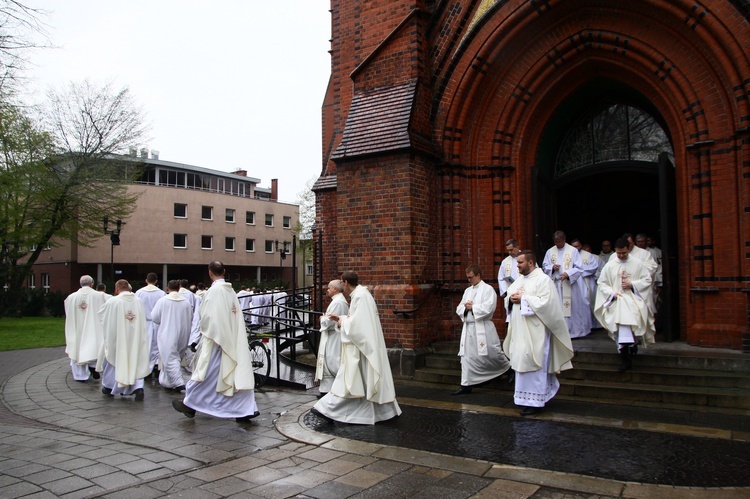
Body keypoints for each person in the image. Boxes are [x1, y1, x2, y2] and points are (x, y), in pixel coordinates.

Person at [172, 261, 258, 422]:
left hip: (216, 341)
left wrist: (203, 336)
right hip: (233, 339)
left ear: (210, 273)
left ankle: (190, 404)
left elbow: (207, 317)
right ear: (224, 271)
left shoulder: (213, 292)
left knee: (205, 374)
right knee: (235, 374)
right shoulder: (230, 291)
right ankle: (247, 409)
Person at [312, 271, 401, 424]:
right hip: (362, 347)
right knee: (364, 382)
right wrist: (341, 318)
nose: (342, 287)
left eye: (342, 283)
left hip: (359, 348)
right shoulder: (361, 295)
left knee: (349, 381)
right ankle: (383, 413)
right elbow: (358, 320)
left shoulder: (360, 296)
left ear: (346, 282)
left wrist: (341, 322)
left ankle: (327, 408)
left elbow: (358, 327)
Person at [504, 251, 574, 416]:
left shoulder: (543, 280)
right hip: (521, 331)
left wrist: (524, 299)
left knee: (535, 364)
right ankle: (525, 401)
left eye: (520, 262)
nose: (517, 265)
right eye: (517, 262)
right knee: (522, 363)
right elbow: (509, 297)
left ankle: (536, 402)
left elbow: (548, 304)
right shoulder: (519, 280)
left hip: (537, 332)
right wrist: (511, 299)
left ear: (530, 262)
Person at [595, 238, 655, 372]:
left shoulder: (637, 263)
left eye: (624, 253)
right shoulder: (611, 264)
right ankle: (625, 358)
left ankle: (632, 348)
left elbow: (647, 279)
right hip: (617, 302)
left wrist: (632, 284)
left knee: (631, 330)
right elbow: (602, 282)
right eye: (618, 253)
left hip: (633, 301)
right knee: (622, 331)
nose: (621, 256)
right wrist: (612, 293)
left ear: (629, 249)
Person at [452, 264, 512, 395]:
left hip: (483, 327)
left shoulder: (488, 289)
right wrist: (465, 308)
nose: (469, 280)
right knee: (467, 356)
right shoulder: (468, 291)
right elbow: (459, 308)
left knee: (492, 352)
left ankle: (507, 368)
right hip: (469, 328)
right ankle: (466, 384)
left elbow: (489, 307)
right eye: (467, 278)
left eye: (471, 277)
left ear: (478, 275)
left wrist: (473, 307)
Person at [97, 279, 150, 400]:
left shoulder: (113, 301)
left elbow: (103, 317)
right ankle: (138, 387)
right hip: (135, 337)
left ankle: (109, 387)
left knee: (113, 360)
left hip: (118, 337)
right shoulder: (138, 301)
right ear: (128, 288)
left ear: (116, 289)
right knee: (135, 359)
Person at [542, 230, 591, 338]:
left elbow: (579, 268)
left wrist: (568, 274)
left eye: (560, 242)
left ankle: (574, 332)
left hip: (570, 285)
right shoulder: (550, 252)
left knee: (572, 308)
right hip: (556, 285)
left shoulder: (573, 251)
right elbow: (545, 266)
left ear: (564, 240)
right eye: (556, 242)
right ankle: (560, 333)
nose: (558, 244)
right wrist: (552, 268)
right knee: (558, 308)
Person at [64, 275, 107, 382]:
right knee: (93, 347)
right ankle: (93, 367)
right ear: (92, 284)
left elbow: (68, 312)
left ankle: (80, 375)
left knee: (77, 349)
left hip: (76, 328)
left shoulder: (71, 297)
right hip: (93, 327)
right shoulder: (99, 296)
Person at [151, 279, 193, 391]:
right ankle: (167, 381)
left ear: (167, 288)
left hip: (168, 331)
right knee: (176, 357)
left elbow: (154, 317)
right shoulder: (186, 302)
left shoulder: (163, 301)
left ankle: (178, 382)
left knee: (169, 357)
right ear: (179, 288)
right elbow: (191, 317)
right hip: (183, 332)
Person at [315, 279, 349, 396]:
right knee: (328, 362)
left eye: (329, 287)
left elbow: (329, 322)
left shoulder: (338, 302)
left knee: (332, 361)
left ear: (335, 289)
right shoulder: (337, 301)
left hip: (334, 337)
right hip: (331, 335)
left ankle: (336, 389)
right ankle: (327, 389)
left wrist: (322, 319)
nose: (327, 290)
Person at [134, 273, 166, 376]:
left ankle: (145, 367)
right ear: (156, 281)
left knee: (145, 344)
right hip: (157, 322)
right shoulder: (161, 294)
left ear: (146, 281)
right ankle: (156, 366)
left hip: (144, 322)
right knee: (157, 345)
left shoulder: (139, 293)